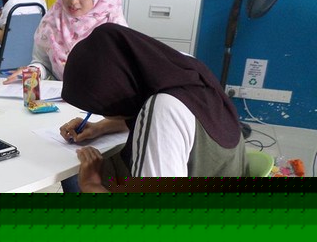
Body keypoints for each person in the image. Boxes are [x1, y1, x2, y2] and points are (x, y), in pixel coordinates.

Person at [60, 23, 249, 193]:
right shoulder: (184, 70)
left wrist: (90, 185)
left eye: (101, 108)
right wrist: (100, 127)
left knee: (78, 174)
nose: (101, 114)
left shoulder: (163, 109)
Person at [2, 0, 127, 84]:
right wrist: (33, 71)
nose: (73, 1)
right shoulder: (52, 21)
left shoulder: (113, 27)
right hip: (60, 95)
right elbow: (43, 63)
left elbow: (121, 77)